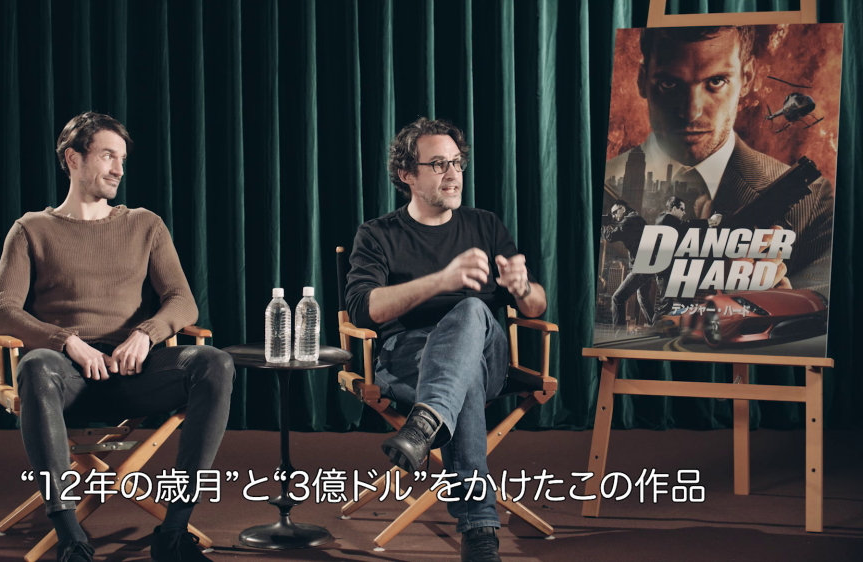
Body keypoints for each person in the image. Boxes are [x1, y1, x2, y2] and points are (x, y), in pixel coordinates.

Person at [0, 112, 233, 562]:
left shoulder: (145, 224)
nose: (119, 169)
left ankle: (174, 532)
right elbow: (0, 311)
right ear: (73, 159)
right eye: (107, 156)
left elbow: (182, 301)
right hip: (66, 379)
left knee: (214, 362)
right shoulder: (30, 229)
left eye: (122, 159)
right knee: (35, 364)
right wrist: (66, 341)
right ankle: (70, 537)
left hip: (136, 372)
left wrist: (146, 334)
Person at [345, 117, 547, 562]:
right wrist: (441, 280)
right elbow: (362, 308)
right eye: (438, 164)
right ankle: (480, 530)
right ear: (406, 174)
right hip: (407, 358)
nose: (453, 174)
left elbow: (536, 306)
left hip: (487, 353)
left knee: (472, 310)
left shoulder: (485, 225)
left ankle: (425, 424)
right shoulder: (377, 234)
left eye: (457, 163)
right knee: (462, 377)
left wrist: (522, 288)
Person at [604, 25, 834, 291]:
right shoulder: (599, 188)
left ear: (747, 77)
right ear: (641, 79)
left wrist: (779, 304)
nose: (691, 112)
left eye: (716, 81)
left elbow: (827, 302)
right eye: (669, 83)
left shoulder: (814, 202)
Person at [603, 200, 654, 330]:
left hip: (641, 266)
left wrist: (604, 226)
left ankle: (618, 333)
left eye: (615, 212)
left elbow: (611, 237)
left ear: (623, 209)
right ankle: (657, 327)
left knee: (617, 298)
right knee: (643, 299)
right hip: (648, 265)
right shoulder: (638, 219)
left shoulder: (628, 221)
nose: (614, 216)